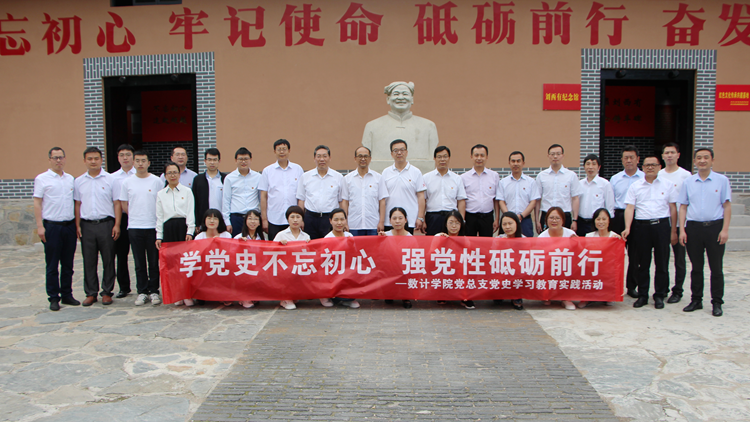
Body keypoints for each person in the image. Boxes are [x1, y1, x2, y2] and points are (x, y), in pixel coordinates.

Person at [678, 148, 732, 317]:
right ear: (694, 161)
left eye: (706, 158)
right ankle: (696, 300)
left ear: (712, 160)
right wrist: (682, 230)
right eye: (699, 158)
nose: (702, 161)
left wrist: (725, 229)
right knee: (696, 267)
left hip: (714, 228)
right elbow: (683, 206)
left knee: (716, 267)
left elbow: (727, 206)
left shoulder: (722, 180)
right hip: (693, 228)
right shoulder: (688, 182)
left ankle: (717, 302)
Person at [621, 156, 678, 310]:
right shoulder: (636, 186)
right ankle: (643, 295)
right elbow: (630, 207)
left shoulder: (667, 185)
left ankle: (659, 295)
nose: (650, 167)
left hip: (661, 226)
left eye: (653, 165)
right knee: (642, 263)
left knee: (662, 263)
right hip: (642, 227)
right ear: (643, 167)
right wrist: (628, 227)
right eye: (647, 165)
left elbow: (673, 208)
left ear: (659, 167)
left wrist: (673, 230)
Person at [34, 147, 80, 311]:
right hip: (52, 226)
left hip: (69, 226)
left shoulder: (70, 179)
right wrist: (40, 226)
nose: (58, 160)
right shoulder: (42, 179)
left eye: (61, 157)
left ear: (65, 159)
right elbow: (37, 203)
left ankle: (67, 294)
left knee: (68, 264)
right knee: (52, 265)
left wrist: (77, 226)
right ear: (50, 160)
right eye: (55, 158)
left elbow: (76, 203)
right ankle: (54, 297)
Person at [74, 146, 121, 306]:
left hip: (106, 224)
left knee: (108, 259)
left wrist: (117, 224)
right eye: (90, 159)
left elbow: (116, 203)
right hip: (87, 225)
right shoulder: (79, 181)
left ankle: (107, 292)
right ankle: (91, 293)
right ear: (84, 161)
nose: (93, 161)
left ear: (101, 160)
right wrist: (77, 225)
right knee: (89, 260)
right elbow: (77, 204)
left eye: (96, 158)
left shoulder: (111, 180)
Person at [361, 81, 439, 172]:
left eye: (405, 94)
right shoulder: (372, 127)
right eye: (396, 94)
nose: (401, 98)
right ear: (388, 99)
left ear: (412, 99)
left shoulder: (429, 127)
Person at [119, 150, 164, 306]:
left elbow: (161, 202)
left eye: (143, 160)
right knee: (139, 262)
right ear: (133, 163)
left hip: (153, 226)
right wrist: (135, 215)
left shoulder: (156, 181)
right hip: (135, 227)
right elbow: (124, 204)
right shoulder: (127, 182)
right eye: (137, 161)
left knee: (153, 261)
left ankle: (154, 291)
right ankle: (142, 291)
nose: (140, 163)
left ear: (148, 163)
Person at [659, 142, 692, 304]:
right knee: (662, 258)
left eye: (672, 152)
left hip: (680, 224)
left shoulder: (686, 176)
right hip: (663, 223)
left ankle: (678, 290)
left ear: (678, 155)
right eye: (667, 153)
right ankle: (663, 288)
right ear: (662, 156)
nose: (669, 155)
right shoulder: (658, 174)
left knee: (679, 259)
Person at [610, 145, 644, 298]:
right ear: (622, 160)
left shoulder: (644, 178)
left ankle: (632, 286)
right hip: (618, 216)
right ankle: (614, 284)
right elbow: (611, 201)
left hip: (637, 217)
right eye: (626, 158)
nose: (629, 160)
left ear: (638, 159)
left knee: (635, 254)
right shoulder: (615, 179)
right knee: (615, 254)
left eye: (632, 157)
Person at [259, 139, 304, 241]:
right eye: (279, 149)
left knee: (294, 246)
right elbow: (263, 196)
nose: (282, 152)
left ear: (289, 151)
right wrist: (264, 219)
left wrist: (301, 218)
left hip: (294, 219)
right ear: (274, 151)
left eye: (284, 149)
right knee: (275, 247)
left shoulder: (298, 169)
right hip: (274, 218)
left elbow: (301, 196)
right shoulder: (267, 171)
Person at [296, 145, 344, 240]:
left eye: (325, 156)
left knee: (329, 245)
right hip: (310, 218)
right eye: (318, 156)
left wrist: (342, 220)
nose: (322, 159)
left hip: (329, 219)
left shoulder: (338, 177)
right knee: (311, 245)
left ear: (330, 158)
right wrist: (300, 219)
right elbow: (301, 200)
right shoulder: (306, 176)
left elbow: (341, 201)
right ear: (314, 158)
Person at [341, 146, 388, 236]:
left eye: (366, 156)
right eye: (360, 156)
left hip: (373, 224)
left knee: (373, 245)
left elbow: (382, 201)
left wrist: (381, 222)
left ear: (370, 159)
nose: (363, 159)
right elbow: (345, 202)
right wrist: (345, 222)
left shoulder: (378, 178)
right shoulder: (347, 179)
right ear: (355, 158)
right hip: (353, 225)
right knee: (353, 246)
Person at [381, 140, 426, 234]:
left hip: (409, 219)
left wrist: (420, 217)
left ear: (406, 152)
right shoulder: (386, 172)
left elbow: (421, 196)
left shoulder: (416, 172)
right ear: (392, 154)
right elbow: (382, 198)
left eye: (402, 150)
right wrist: (381, 220)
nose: (399, 153)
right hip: (390, 220)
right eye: (396, 150)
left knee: (407, 243)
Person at [579, 208, 621, 308]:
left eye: (604, 219)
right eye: (598, 219)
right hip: (593, 269)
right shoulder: (589, 236)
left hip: (608, 272)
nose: (601, 222)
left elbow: (619, 260)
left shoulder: (615, 237)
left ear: (609, 221)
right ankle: (587, 298)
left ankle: (608, 295)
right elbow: (584, 255)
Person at [534, 144, 581, 233]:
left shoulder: (571, 175)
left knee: (565, 241)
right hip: (546, 215)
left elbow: (575, 198)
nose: (555, 156)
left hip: (564, 215)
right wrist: (537, 220)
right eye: (552, 154)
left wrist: (575, 220)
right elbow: (537, 200)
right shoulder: (541, 176)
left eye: (558, 154)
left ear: (563, 156)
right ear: (548, 156)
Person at [538, 207, 577, 310]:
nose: (554, 221)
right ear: (546, 220)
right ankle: (547, 294)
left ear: (563, 220)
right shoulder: (542, 237)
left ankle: (566, 298)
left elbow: (579, 253)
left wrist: (577, 243)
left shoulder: (570, 234)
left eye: (557, 218)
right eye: (551, 218)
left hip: (566, 267)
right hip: (549, 267)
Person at [434, 210, 474, 309]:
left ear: (461, 225)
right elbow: (430, 255)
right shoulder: (438, 236)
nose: (454, 226)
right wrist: (441, 242)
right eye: (451, 222)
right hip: (443, 268)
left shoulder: (465, 239)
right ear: (446, 224)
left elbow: (469, 258)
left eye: (457, 223)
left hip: (459, 269)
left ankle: (464, 296)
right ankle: (442, 293)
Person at [273, 206, 311, 310]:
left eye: (298, 217)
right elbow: (271, 252)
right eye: (292, 217)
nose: (295, 220)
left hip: (300, 267)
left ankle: (293, 295)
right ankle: (285, 298)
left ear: (302, 219)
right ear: (287, 219)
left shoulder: (306, 236)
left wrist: (309, 245)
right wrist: (279, 245)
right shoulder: (281, 235)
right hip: (284, 268)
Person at [423, 146, 467, 236]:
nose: (442, 159)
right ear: (434, 158)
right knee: (433, 242)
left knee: (452, 242)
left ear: (449, 158)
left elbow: (461, 201)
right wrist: (422, 219)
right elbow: (423, 200)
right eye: (439, 157)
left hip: (452, 217)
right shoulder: (426, 178)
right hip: (433, 217)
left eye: (445, 156)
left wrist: (461, 220)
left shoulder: (457, 178)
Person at [111, 143, 135, 298]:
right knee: (121, 254)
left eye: (128, 155)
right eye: (122, 155)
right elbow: (115, 202)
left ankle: (146, 287)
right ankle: (124, 287)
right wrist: (117, 224)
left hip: (140, 218)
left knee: (142, 254)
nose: (125, 158)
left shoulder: (140, 174)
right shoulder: (112, 178)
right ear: (118, 158)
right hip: (122, 218)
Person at [497, 151, 539, 238]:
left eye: (518, 161)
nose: (515, 164)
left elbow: (533, 202)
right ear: (509, 163)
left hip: (525, 220)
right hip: (508, 221)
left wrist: (521, 216)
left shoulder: (531, 182)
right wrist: (509, 216)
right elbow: (501, 201)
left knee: (526, 244)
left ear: (523, 163)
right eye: (513, 161)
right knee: (506, 243)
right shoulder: (503, 182)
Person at [325, 208, 360, 309]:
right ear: (330, 221)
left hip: (348, 271)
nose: (339, 223)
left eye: (342, 219)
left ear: (346, 220)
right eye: (336, 220)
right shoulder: (327, 238)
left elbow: (355, 256)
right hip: (334, 272)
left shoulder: (349, 236)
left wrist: (351, 246)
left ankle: (348, 299)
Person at [461, 144, 499, 237]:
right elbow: (462, 201)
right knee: (469, 243)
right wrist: (462, 220)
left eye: (482, 155)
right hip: (470, 217)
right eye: (476, 155)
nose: (479, 158)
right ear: (471, 157)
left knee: (486, 243)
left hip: (487, 216)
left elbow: (496, 199)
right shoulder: (464, 177)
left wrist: (497, 219)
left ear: (487, 157)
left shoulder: (494, 176)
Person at [222, 147, 261, 238]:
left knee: (254, 242)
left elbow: (261, 199)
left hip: (253, 218)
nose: (243, 162)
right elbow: (226, 201)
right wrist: (227, 222)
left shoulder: (258, 177)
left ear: (251, 160)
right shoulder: (229, 178)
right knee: (237, 243)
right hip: (236, 218)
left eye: (246, 159)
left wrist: (262, 218)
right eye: (240, 159)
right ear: (236, 160)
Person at [379, 207, 413, 309]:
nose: (397, 221)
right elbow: (379, 255)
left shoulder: (411, 238)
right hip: (389, 269)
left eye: (400, 218)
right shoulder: (385, 235)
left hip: (404, 269)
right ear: (390, 220)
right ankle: (389, 293)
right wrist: (379, 240)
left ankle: (406, 297)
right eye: (394, 218)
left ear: (405, 220)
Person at [156, 162, 195, 250]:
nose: (172, 175)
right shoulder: (160, 194)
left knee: (184, 254)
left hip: (183, 227)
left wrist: (190, 232)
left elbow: (190, 213)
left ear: (179, 174)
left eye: (175, 172)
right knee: (170, 255)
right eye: (169, 173)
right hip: (168, 228)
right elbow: (160, 216)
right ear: (165, 176)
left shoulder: (187, 191)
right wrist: (159, 236)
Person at [577, 154, 615, 236]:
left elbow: (610, 207)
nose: (590, 167)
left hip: (596, 223)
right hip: (581, 222)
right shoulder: (579, 184)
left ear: (599, 167)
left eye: (594, 164)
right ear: (584, 167)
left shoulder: (605, 184)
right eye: (588, 164)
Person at [192, 148, 226, 234]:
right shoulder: (198, 179)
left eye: (215, 160)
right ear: (205, 161)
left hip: (222, 220)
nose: (212, 162)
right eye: (209, 160)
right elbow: (194, 202)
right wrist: (196, 223)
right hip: (204, 221)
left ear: (219, 161)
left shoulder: (225, 179)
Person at [233, 209, 264, 309]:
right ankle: (244, 297)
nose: (252, 221)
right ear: (245, 221)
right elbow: (231, 254)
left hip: (257, 267)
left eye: (255, 219)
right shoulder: (238, 237)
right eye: (250, 218)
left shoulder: (261, 238)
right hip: (243, 267)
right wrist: (239, 244)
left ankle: (253, 295)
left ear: (259, 222)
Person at [497, 211, 524, 310]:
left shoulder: (524, 240)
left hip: (518, 271)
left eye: (510, 223)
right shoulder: (498, 239)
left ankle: (516, 297)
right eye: (504, 224)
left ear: (516, 223)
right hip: (502, 270)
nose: (507, 227)